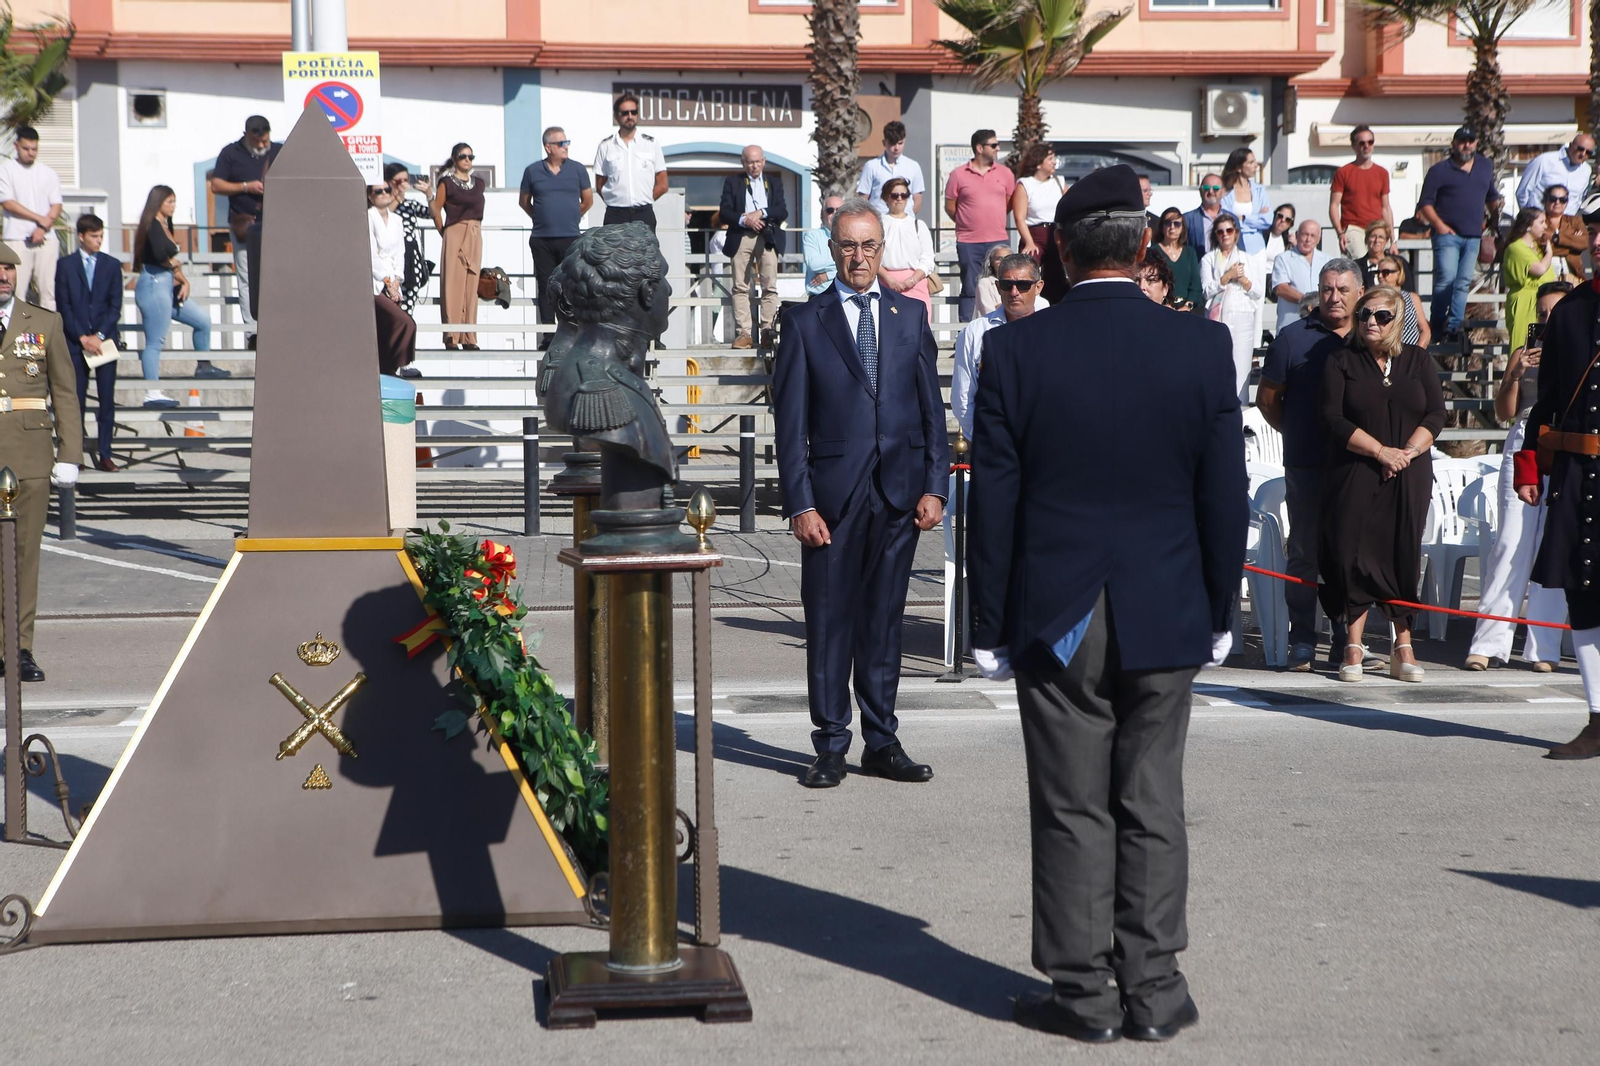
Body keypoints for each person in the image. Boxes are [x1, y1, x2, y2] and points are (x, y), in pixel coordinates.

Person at [967, 164, 1246, 1045]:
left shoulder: (1015, 350)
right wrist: (1220, 605)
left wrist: (988, 626)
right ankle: (1156, 989)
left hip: (1059, 611)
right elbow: (1223, 493)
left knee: (1071, 805)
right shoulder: (1201, 346)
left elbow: (996, 501)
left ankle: (1084, 993)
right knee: (1153, 799)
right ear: (1141, 246)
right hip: (1167, 603)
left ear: (1057, 253)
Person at [771, 198, 948, 790]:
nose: (859, 257)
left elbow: (931, 410)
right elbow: (789, 424)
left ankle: (882, 740)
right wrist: (799, 503)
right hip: (831, 501)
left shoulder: (908, 316)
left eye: (869, 246)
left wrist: (934, 486)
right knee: (828, 623)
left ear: (882, 249)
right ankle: (829, 744)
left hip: (898, 495)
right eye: (848, 245)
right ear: (831, 245)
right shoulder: (803, 322)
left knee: (884, 623)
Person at [1319, 286, 1446, 682]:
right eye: (1365, 315)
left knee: (1401, 552)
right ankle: (1353, 645)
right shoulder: (1341, 360)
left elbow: (1436, 414)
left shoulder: (1418, 360)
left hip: (1409, 473)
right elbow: (1333, 419)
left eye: (1382, 316)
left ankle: (1402, 644)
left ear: (1398, 322)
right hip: (1357, 470)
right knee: (1352, 553)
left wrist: (1404, 453)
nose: (1371, 322)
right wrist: (1380, 452)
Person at [1512, 197, 1600, 757]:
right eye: (1596, 232)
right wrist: (1529, 464)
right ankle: (1598, 717)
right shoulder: (1568, 311)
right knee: (1583, 594)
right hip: (1578, 470)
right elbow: (1547, 402)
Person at [1258, 259, 1365, 669]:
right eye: (1326, 289)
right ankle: (1302, 637)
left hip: (1356, 466)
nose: (1333, 297)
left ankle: (1346, 639)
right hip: (1306, 465)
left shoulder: (1371, 334)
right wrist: (1299, 432)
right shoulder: (1291, 338)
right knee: (1303, 552)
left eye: (1342, 289)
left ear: (1358, 292)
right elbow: (1268, 400)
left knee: (1347, 554)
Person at [1465, 280, 1572, 673]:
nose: (1546, 320)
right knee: (1510, 542)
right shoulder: (1523, 354)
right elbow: (1503, 412)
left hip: (1566, 444)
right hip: (1524, 440)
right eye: (1542, 314)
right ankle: (1488, 643)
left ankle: (1543, 647)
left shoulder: (1582, 352)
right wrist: (1515, 374)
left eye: (1554, 313)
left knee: (1554, 546)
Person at [0, 239, 82, 682]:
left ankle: (19, 648)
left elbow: (65, 393)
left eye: (9, 270)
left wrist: (70, 453)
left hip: (30, 453)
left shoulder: (44, 323)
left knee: (23, 554)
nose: (4, 276)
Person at [132, 185, 215, 408]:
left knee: (203, 321)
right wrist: (174, 263)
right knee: (155, 341)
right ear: (157, 202)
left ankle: (204, 365)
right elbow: (160, 255)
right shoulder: (152, 225)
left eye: (174, 201)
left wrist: (183, 279)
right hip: (154, 285)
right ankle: (152, 392)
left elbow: (166, 257)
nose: (173, 205)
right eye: (169, 201)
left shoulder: (164, 225)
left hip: (167, 285)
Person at [54, 214, 123, 472]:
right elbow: (64, 305)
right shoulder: (66, 265)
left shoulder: (111, 265)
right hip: (76, 342)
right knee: (76, 401)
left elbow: (115, 306)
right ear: (81, 236)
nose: (99, 241)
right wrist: (82, 337)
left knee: (106, 400)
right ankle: (76, 453)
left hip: (104, 341)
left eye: (101, 236)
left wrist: (100, 336)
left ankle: (105, 453)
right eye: (94, 236)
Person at [950, 253, 1047, 436]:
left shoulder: (1054, 329)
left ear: (1038, 287)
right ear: (997, 287)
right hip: (994, 444)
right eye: (1007, 285)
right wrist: (987, 440)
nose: (1014, 292)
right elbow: (963, 398)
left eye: (1023, 285)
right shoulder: (975, 332)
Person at [1417, 127, 1498, 342]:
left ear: (1476, 143)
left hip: (1473, 235)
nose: (1466, 145)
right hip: (1447, 236)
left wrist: (1494, 218)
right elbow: (1425, 203)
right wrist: (1439, 225)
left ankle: (1454, 326)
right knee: (1446, 278)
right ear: (1454, 143)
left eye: (1471, 141)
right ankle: (1436, 324)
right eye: (1462, 141)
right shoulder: (1439, 170)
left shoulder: (1485, 166)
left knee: (1462, 281)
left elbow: (1492, 197)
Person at [207, 116, 280, 349]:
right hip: (245, 225)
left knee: (278, 276)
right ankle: (253, 332)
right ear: (246, 135)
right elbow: (216, 185)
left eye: (265, 141)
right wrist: (246, 186)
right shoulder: (231, 153)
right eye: (257, 141)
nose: (261, 145)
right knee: (247, 278)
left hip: (277, 224)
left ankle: (278, 327)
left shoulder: (279, 150)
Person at [520, 126, 593, 350]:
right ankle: (548, 334)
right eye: (561, 143)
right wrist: (541, 218)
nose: (566, 146)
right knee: (545, 284)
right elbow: (524, 202)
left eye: (566, 142)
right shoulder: (532, 171)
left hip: (570, 237)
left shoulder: (578, 170)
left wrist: (572, 216)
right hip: (542, 238)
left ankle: (571, 330)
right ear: (548, 147)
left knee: (570, 284)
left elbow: (588, 200)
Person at [719, 144, 788, 349]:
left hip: (767, 236)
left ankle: (767, 330)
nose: (754, 166)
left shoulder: (774, 183)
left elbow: (782, 211)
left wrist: (762, 213)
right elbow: (724, 212)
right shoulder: (733, 182)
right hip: (742, 236)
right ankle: (744, 333)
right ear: (743, 163)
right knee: (740, 286)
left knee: (769, 286)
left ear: (764, 161)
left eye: (758, 161)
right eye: (750, 162)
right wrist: (745, 220)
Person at [945, 129, 1016, 321]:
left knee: (1004, 284)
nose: (997, 148)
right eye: (993, 145)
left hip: (998, 241)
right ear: (979, 148)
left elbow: (1008, 204)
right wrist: (968, 223)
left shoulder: (1006, 173)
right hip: (969, 242)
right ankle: (967, 332)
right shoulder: (958, 175)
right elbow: (950, 207)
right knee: (970, 288)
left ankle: (1002, 327)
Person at [1200, 212, 1263, 400]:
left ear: (1236, 233)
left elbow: (1258, 291)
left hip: (1243, 315)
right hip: (1217, 318)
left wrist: (1242, 278)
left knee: (1241, 368)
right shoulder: (1208, 259)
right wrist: (1227, 276)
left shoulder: (1248, 258)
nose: (1225, 234)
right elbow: (1206, 291)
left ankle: (1241, 410)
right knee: (1217, 365)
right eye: (1220, 232)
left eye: (1229, 230)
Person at [0, 125, 62, 311]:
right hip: (17, 238)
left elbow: (56, 205)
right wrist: (38, 219)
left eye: (34, 149)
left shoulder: (48, 172)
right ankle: (13, 335)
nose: (31, 153)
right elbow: (8, 203)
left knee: (48, 293)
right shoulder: (7, 169)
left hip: (46, 239)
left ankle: (48, 337)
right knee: (16, 291)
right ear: (16, 145)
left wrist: (43, 228)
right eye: (26, 148)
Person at [429, 142, 485, 350]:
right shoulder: (447, 182)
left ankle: (469, 336)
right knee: (452, 284)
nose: (467, 160)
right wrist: (445, 233)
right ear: (455, 159)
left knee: (471, 285)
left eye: (471, 157)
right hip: (454, 231)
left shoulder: (479, 183)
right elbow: (436, 211)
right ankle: (452, 336)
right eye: (463, 156)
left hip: (474, 232)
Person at [594, 93, 667, 231]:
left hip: (643, 214)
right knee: (614, 253)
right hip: (615, 215)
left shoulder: (651, 144)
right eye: (625, 113)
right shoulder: (606, 146)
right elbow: (599, 185)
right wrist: (617, 200)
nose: (630, 116)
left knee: (645, 252)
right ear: (616, 116)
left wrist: (643, 200)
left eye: (634, 112)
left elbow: (663, 184)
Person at [876, 177, 936, 321]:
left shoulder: (918, 225)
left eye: (904, 195)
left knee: (919, 328)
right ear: (886, 198)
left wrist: (913, 280)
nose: (899, 199)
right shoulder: (879, 225)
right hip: (886, 285)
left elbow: (928, 258)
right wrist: (889, 280)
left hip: (916, 285)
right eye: (894, 195)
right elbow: (873, 256)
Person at [1501, 206, 1555, 362]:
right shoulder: (1516, 247)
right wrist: (1550, 253)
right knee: (1522, 347)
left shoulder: (1537, 248)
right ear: (1529, 224)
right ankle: (1516, 382)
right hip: (1525, 301)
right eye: (1541, 222)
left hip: (1541, 302)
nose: (1545, 226)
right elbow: (1539, 269)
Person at [1330, 126, 1393, 258]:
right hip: (1353, 228)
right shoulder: (1343, 172)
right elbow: (1334, 205)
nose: (1367, 146)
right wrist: (1340, 233)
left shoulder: (1382, 173)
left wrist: (1393, 239)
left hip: (1377, 227)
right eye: (1362, 143)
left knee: (1378, 264)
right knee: (1360, 262)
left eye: (1370, 142)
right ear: (1354, 146)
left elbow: (1385, 207)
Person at [385, 164, 432, 315]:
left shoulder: (410, 204)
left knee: (407, 308)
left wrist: (429, 194)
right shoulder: (382, 200)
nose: (403, 184)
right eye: (399, 181)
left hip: (410, 258)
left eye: (406, 180)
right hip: (390, 256)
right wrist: (398, 197)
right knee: (389, 307)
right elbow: (383, 216)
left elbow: (432, 213)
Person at [857, 120, 925, 217]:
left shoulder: (913, 166)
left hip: (905, 221)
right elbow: (863, 198)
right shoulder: (871, 166)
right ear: (884, 143)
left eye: (900, 143)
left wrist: (906, 217)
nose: (896, 148)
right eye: (892, 144)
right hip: (879, 220)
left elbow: (917, 200)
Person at [1272, 220, 1331, 332]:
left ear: (1318, 239)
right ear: (1297, 235)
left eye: (1313, 236)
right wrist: (1309, 302)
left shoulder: (1327, 260)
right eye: (1305, 234)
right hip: (1291, 323)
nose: (1308, 239)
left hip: (1320, 325)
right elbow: (1280, 288)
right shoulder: (1283, 258)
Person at [1515, 134, 1594, 213]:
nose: (1583, 154)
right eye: (1580, 149)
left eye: (1588, 152)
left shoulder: (1586, 170)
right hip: (1540, 221)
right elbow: (1522, 192)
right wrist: (1529, 218)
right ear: (1570, 145)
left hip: (1567, 222)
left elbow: (1580, 199)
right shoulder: (1544, 160)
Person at [1011, 144, 1064, 259]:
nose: (1054, 162)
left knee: (1056, 274)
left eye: (1054, 158)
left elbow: (1069, 207)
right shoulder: (1025, 184)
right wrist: (1029, 242)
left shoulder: (1060, 181)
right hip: (1034, 234)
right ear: (1039, 164)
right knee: (1028, 270)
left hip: (1055, 233)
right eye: (1050, 159)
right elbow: (1019, 218)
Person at [1370, 255, 1432, 349]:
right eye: (1378, 272)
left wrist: (1418, 353)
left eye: (1385, 272)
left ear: (1398, 273)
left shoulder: (1412, 298)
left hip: (1412, 351)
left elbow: (1425, 329)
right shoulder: (1375, 298)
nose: (1380, 276)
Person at [1219, 147, 1272, 255]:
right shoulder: (1225, 192)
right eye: (1251, 162)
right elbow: (1225, 220)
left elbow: (1267, 220)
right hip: (1233, 248)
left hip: (1257, 249)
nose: (1256, 166)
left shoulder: (1259, 190)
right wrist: (1256, 219)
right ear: (1239, 168)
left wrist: (1243, 218)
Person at [1153, 207, 1202, 312]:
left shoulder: (1190, 252)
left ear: (1182, 227)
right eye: (1167, 223)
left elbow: (1196, 285)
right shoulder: (1153, 251)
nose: (1172, 227)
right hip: (1161, 309)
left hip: (1186, 311)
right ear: (1162, 226)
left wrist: (1187, 306)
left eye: (1177, 224)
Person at [1541, 184, 1588, 278]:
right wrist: (1572, 243)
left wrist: (1555, 238)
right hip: (1545, 271)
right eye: (1553, 199)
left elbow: (1585, 242)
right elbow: (1539, 246)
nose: (1557, 202)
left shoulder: (1575, 221)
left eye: (1562, 200)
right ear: (1545, 200)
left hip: (1572, 271)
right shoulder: (1538, 220)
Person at [368, 183, 404, 302]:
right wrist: (388, 283)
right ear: (370, 196)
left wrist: (396, 282)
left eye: (387, 190)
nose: (384, 193)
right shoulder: (369, 216)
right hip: (375, 282)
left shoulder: (397, 220)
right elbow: (372, 254)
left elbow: (400, 252)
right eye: (378, 191)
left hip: (394, 281)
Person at [801, 195, 841, 296]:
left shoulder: (852, 238)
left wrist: (828, 275)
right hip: (818, 296)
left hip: (843, 296)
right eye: (830, 210)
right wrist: (842, 262)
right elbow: (814, 264)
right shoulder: (811, 236)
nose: (835, 214)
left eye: (839, 210)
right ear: (823, 214)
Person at [1183, 173, 1224, 258]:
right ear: (1200, 191)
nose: (1211, 192)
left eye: (1216, 188)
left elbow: (1240, 250)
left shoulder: (1231, 218)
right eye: (1206, 188)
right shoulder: (1187, 219)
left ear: (1223, 192)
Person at [1355, 220, 1395, 287]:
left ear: (1386, 241)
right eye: (1373, 236)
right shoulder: (1356, 266)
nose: (1377, 240)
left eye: (1381, 237)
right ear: (1366, 239)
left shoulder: (1396, 264)